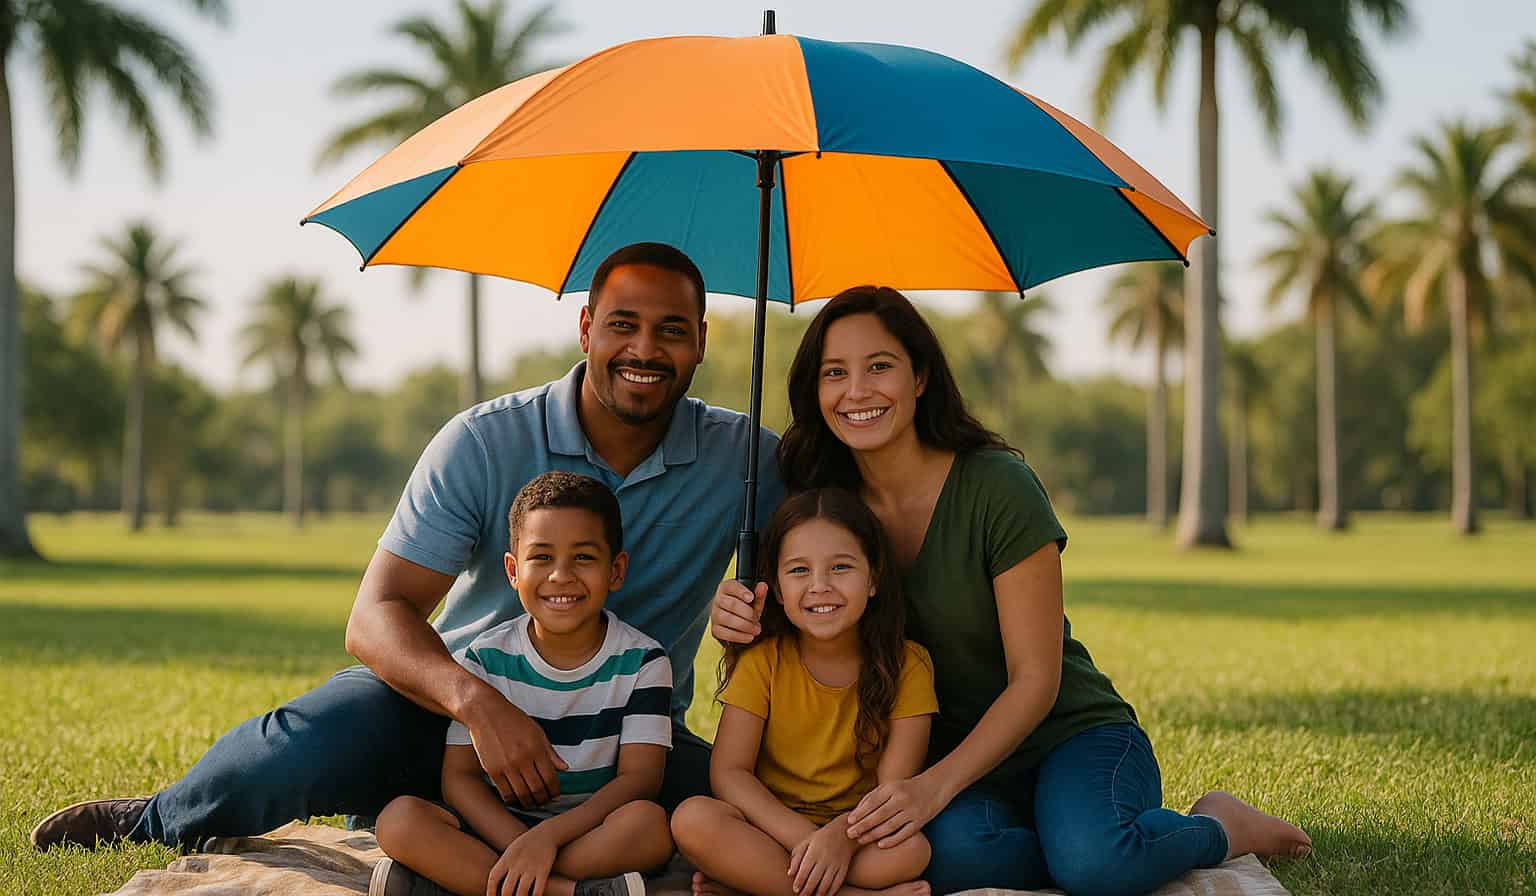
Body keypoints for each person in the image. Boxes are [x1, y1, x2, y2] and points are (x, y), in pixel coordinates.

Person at [31, 242, 785, 853]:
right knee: (309, 740)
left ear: (701, 344)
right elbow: (375, 615)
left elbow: (835, 560)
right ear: (587, 329)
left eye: (671, 330)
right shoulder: (486, 439)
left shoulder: (748, 459)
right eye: (623, 324)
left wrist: (751, 609)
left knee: (746, 818)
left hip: (624, 740)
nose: (644, 348)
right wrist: (478, 703)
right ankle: (156, 819)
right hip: (444, 710)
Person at [712, 286, 1311, 896]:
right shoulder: (822, 507)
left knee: (1098, 863)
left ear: (920, 378)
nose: (856, 391)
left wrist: (932, 789)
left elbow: (1036, 679)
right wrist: (732, 611)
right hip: (945, 752)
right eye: (834, 373)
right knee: (945, 860)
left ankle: (1219, 826)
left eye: (880, 367)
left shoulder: (999, 486)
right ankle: (1058, 834)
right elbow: (786, 628)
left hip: (1065, 733)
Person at [370, 472, 673, 896]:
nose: (560, 576)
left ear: (616, 570)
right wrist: (521, 843)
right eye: (542, 558)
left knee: (649, 826)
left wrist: (545, 841)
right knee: (399, 821)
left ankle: (467, 882)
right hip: (496, 829)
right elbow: (460, 780)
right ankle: (566, 892)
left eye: (584, 558)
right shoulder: (485, 658)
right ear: (513, 571)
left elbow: (639, 781)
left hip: (587, 832)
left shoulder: (644, 662)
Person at [672, 488, 936, 896]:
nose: (820, 586)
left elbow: (892, 791)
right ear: (777, 588)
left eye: (841, 567)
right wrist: (808, 843)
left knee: (911, 851)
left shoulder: (909, 665)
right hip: (770, 826)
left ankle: (758, 883)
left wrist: (838, 840)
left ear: (873, 579)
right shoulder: (763, 660)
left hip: (856, 832)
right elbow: (729, 773)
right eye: (798, 571)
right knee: (692, 819)